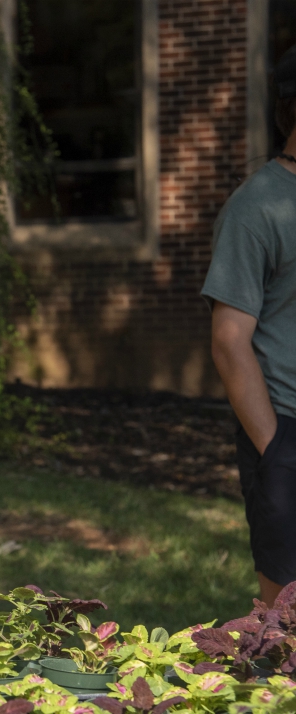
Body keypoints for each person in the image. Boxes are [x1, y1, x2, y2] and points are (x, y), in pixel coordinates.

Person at [203, 44, 296, 608]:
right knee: (288, 622)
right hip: (287, 428)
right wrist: (276, 449)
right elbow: (229, 341)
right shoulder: (256, 207)